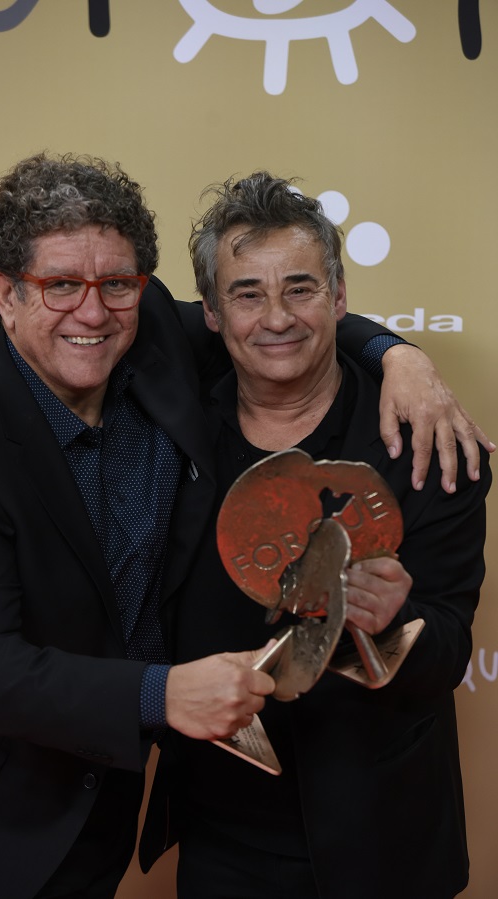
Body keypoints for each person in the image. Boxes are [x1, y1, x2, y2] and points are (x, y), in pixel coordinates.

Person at [0, 154, 488, 899]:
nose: (92, 312)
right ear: (5, 293)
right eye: (59, 285)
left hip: (370, 834)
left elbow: (281, 314)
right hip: (2, 810)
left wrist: (398, 353)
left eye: (117, 284)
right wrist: (162, 695)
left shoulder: (149, 335)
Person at [142, 173, 492, 899]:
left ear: (338, 298)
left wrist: (393, 624)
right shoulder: (170, 431)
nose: (277, 317)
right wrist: (394, 347)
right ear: (212, 314)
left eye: (300, 288)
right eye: (247, 294)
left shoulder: (427, 446)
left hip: (383, 841)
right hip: (219, 837)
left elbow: (449, 649)